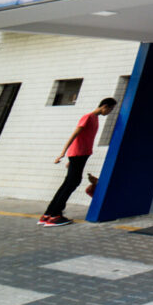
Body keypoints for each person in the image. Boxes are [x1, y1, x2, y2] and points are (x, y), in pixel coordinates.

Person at [39, 97, 116, 227]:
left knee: (69, 183)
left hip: (79, 156)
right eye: (111, 109)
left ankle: (48, 214)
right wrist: (63, 153)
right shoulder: (88, 117)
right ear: (105, 106)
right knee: (72, 182)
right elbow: (74, 135)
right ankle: (55, 216)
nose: (110, 112)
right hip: (78, 155)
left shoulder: (95, 118)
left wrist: (70, 159)